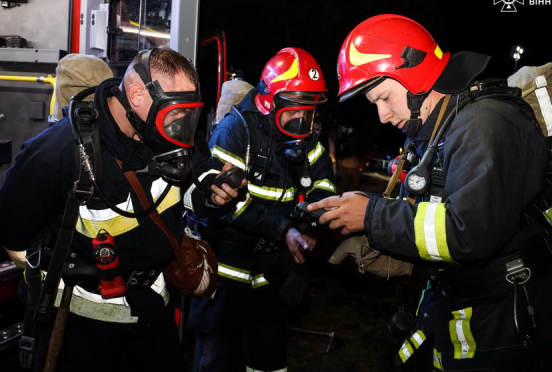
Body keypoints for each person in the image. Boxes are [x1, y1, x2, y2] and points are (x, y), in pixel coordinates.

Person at [308, 14, 552, 371]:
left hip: (508, 320)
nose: (382, 116)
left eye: (384, 97)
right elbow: (437, 216)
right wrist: (378, 233)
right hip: (465, 306)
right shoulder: (441, 128)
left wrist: (373, 216)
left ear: (416, 76)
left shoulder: (485, 123)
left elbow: (470, 234)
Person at [0, 47, 243, 372]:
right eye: (175, 114)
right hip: (81, 331)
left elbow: (190, 185)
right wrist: (54, 272)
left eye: (189, 114)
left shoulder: (170, 132)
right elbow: (10, 231)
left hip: (154, 321)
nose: (182, 128)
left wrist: (213, 195)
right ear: (138, 94)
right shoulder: (58, 153)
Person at [188, 47, 336, 372]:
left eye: (308, 112)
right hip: (226, 275)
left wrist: (310, 223)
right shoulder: (234, 132)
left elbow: (324, 183)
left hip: (271, 275)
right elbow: (229, 206)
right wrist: (285, 231)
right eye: (293, 111)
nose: (301, 120)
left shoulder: (304, 137)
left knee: (269, 363)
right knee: (216, 362)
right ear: (270, 102)